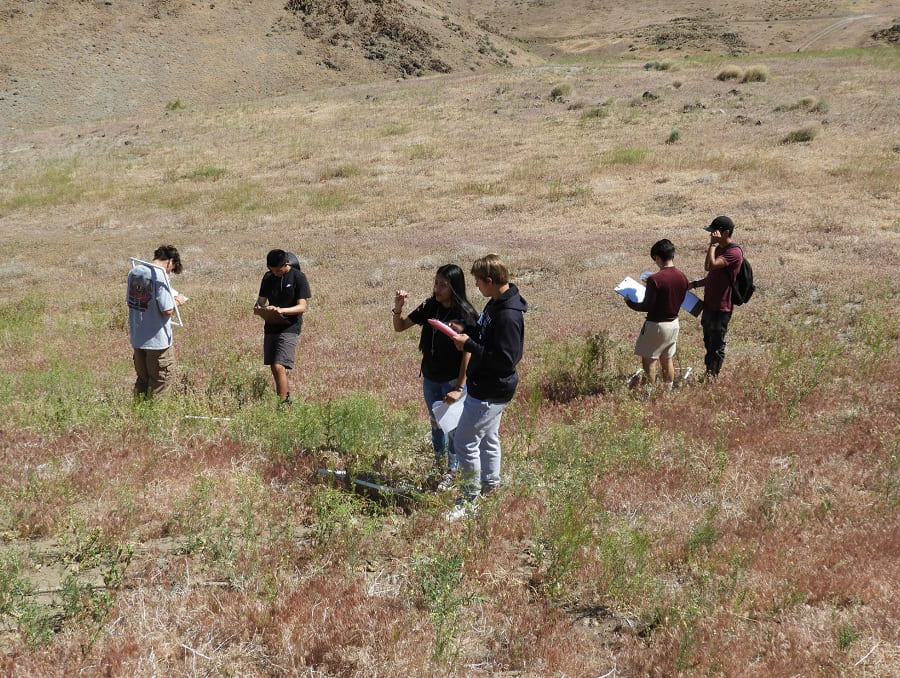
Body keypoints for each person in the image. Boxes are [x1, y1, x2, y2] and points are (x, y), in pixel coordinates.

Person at [445, 254, 528, 522]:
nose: (477, 288)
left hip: (491, 390)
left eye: (479, 283)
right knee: (489, 438)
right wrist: (467, 330)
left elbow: (505, 360)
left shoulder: (508, 316)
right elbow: (486, 336)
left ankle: (469, 498)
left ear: (490, 281)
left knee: (464, 441)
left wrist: (468, 345)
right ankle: (490, 485)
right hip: (489, 388)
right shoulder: (496, 304)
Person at [392, 265, 479, 487]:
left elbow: (469, 353)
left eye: (443, 285)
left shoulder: (466, 315)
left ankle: (452, 470)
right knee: (436, 424)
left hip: (452, 381)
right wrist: (398, 309)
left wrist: (460, 387)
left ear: (455, 287)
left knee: (453, 428)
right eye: (436, 283)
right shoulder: (430, 306)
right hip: (430, 379)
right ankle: (438, 465)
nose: (437, 289)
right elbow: (400, 327)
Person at [624, 238, 689, 391]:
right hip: (673, 324)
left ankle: (649, 393)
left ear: (658, 258)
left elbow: (646, 305)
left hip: (656, 325)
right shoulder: (682, 276)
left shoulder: (655, 279)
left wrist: (629, 302)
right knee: (667, 359)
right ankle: (667, 391)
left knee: (649, 360)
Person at [126, 244, 186, 397]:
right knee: (160, 384)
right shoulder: (160, 276)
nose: (169, 272)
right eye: (171, 269)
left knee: (142, 382)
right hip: (158, 343)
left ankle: (137, 416)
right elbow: (167, 310)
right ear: (170, 262)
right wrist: (178, 300)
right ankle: (155, 419)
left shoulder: (135, 271)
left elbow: (131, 301)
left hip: (138, 340)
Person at [253, 249, 311, 405]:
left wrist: (282, 310)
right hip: (271, 324)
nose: (276, 273)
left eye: (278, 270)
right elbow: (260, 302)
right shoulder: (268, 277)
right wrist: (262, 309)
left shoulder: (299, 277)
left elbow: (302, 307)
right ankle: (282, 397)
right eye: (272, 270)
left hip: (289, 326)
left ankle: (285, 404)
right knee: (273, 366)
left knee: (279, 365)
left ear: (286, 263)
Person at [688, 216, 743, 379]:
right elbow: (713, 276)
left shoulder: (734, 252)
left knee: (717, 343)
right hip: (710, 305)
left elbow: (709, 266)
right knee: (708, 341)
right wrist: (696, 284)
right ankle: (708, 372)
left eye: (714, 233)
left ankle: (712, 376)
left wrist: (712, 245)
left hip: (721, 307)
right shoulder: (719, 249)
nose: (711, 235)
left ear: (726, 233)